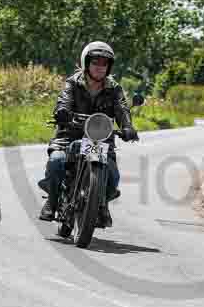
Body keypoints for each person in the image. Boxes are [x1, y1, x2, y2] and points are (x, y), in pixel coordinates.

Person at [38, 41, 139, 228]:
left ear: (109, 67)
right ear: (86, 63)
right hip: (70, 135)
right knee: (56, 162)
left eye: (104, 63)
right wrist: (62, 111)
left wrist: (127, 126)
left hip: (100, 139)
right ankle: (51, 202)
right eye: (95, 62)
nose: (100, 67)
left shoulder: (114, 88)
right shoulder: (73, 83)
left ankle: (101, 206)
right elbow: (64, 99)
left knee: (113, 175)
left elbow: (122, 108)